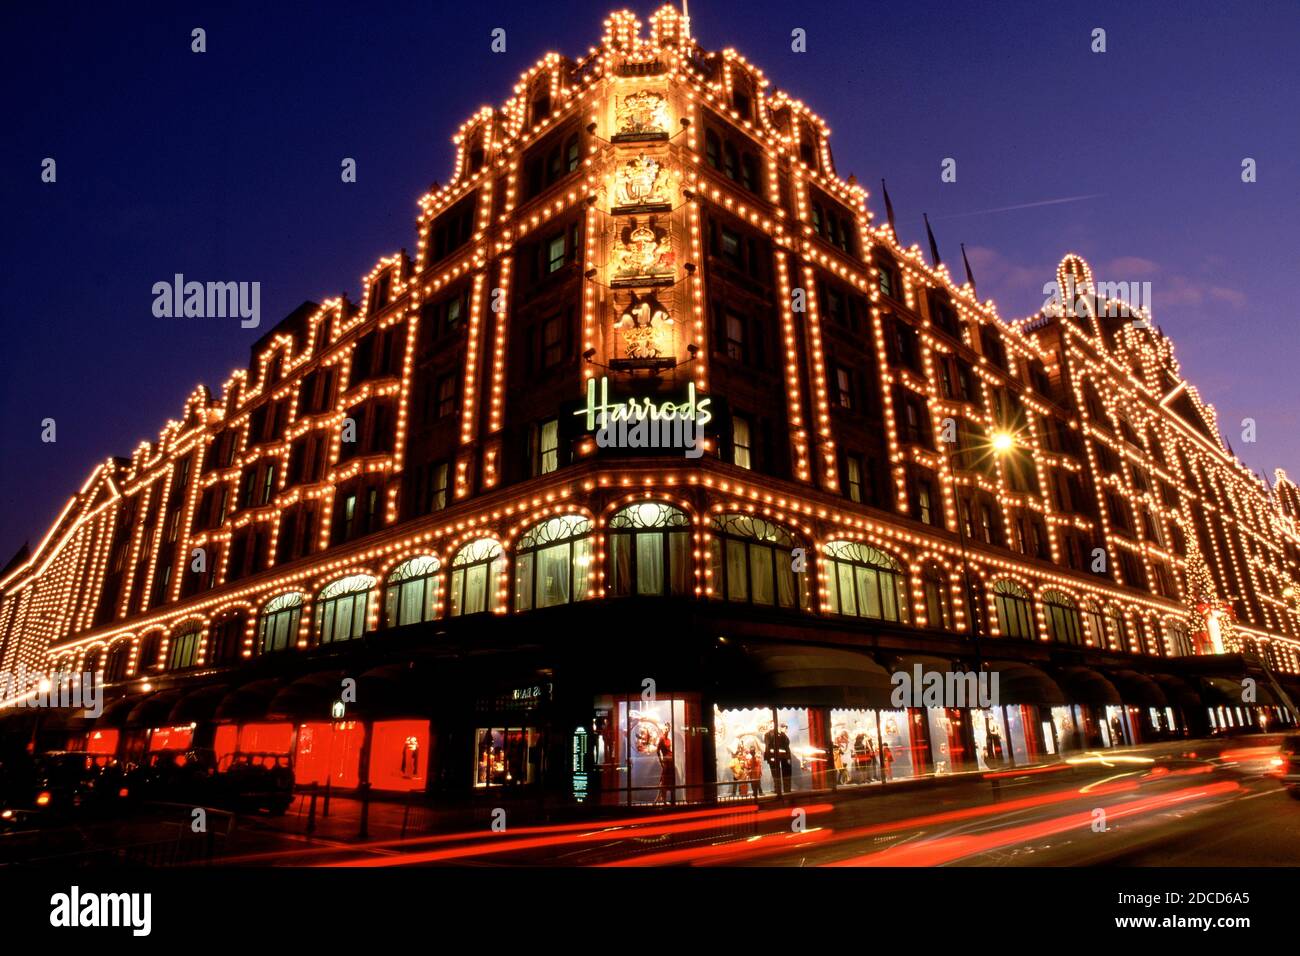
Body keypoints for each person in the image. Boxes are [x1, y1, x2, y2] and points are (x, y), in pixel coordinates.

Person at [764, 723, 794, 795]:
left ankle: (785, 789)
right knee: (775, 773)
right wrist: (768, 757)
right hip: (774, 756)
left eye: (773, 725)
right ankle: (779, 789)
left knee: (783, 772)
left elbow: (787, 743)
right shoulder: (768, 734)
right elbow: (767, 745)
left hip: (781, 755)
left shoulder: (781, 734)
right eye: (770, 725)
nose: (772, 727)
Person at [655, 725, 675, 805]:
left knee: (669, 780)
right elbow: (657, 751)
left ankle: (663, 799)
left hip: (671, 761)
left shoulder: (669, 740)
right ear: (663, 729)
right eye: (665, 728)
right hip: (666, 761)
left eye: (668, 729)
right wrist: (660, 762)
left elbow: (669, 750)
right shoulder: (662, 738)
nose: (666, 730)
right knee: (664, 780)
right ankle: (663, 799)